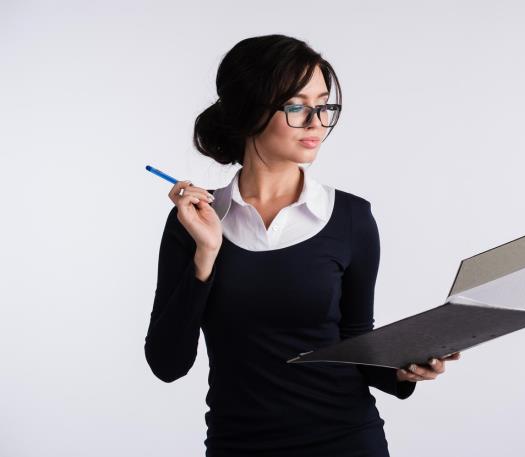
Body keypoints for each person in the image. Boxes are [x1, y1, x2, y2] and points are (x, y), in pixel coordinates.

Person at [144, 34, 461, 457]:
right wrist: (206, 255)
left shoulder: (351, 218)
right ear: (249, 111)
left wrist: (402, 369)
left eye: (324, 106)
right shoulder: (193, 222)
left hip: (348, 442)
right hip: (239, 446)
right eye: (296, 107)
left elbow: (354, 340)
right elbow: (167, 364)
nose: (317, 123)